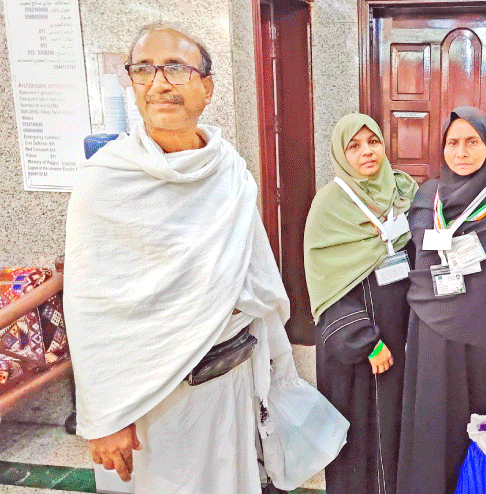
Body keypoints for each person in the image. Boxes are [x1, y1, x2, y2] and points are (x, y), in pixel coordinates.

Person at [64, 25, 292, 493]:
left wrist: (274, 363)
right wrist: (104, 415)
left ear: (206, 88)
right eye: (144, 69)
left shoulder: (229, 170)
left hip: (229, 382)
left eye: (175, 68)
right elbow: (91, 308)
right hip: (150, 400)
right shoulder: (104, 182)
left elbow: (257, 276)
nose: (159, 82)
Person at [397, 107, 486, 494]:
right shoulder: (427, 197)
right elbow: (417, 266)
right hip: (432, 340)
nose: (461, 152)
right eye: (452, 143)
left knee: (476, 437)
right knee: (431, 434)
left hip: (483, 349)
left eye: (471, 142)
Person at [304, 113, 418, 494]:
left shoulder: (401, 193)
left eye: (373, 142)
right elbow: (325, 286)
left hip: (400, 335)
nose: (367, 152)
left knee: (398, 428)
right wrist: (366, 342)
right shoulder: (328, 207)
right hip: (359, 348)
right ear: (340, 153)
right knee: (360, 437)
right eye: (354, 146)